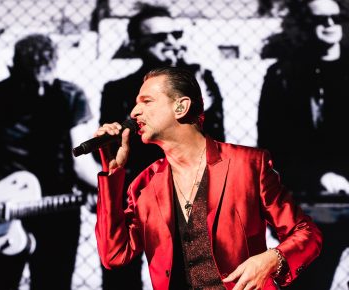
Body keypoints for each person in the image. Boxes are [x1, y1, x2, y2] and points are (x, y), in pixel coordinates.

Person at [93, 67, 322, 290]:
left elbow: (306, 232)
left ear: (181, 107)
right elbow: (114, 255)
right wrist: (112, 174)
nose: (134, 112)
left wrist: (271, 259)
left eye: (147, 101)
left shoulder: (248, 165)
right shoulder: (144, 185)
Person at [0, 33, 99, 290]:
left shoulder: (69, 96)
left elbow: (80, 160)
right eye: (30, 83)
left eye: (46, 83)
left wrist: (105, 186)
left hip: (56, 208)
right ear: (12, 69)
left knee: (53, 283)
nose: (40, 91)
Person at [99, 5, 225, 287]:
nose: (171, 42)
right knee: (121, 280)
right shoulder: (118, 91)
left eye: (176, 34)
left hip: (189, 200)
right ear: (135, 45)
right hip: (136, 199)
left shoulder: (201, 83)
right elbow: (114, 153)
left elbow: (217, 146)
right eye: (158, 38)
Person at [258, 0, 349, 288]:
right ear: (302, 24)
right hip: (314, 200)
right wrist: (319, 176)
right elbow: (272, 147)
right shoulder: (282, 75)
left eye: (336, 17)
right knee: (312, 281)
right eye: (319, 19)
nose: (330, 25)